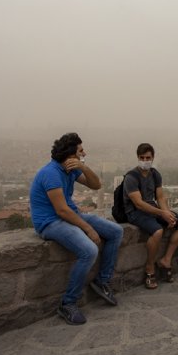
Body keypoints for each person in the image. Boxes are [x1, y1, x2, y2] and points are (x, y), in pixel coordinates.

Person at [29, 132, 124, 325]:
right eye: (81, 151)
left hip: (71, 215)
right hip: (50, 222)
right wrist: (88, 229)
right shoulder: (51, 173)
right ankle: (68, 303)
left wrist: (83, 166)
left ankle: (102, 281)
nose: (84, 153)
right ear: (71, 154)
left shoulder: (71, 170)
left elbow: (96, 185)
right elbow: (61, 210)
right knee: (89, 250)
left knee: (116, 231)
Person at [123, 142, 178, 289]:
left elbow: (160, 197)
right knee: (157, 231)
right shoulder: (131, 177)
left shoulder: (154, 174)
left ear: (153, 158)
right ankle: (149, 267)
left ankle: (166, 260)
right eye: (142, 158)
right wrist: (162, 213)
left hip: (152, 209)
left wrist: (167, 213)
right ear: (138, 157)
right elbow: (138, 203)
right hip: (134, 213)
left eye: (148, 158)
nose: (145, 161)